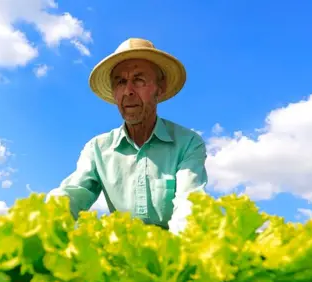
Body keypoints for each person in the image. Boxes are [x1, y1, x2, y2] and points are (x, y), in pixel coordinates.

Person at [48, 38, 208, 234]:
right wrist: (43, 221)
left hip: (173, 252)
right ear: (114, 93)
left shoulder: (188, 143)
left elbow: (189, 203)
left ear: (160, 87)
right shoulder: (97, 148)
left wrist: (173, 257)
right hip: (121, 253)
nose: (128, 91)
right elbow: (72, 194)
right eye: (120, 82)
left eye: (139, 80)